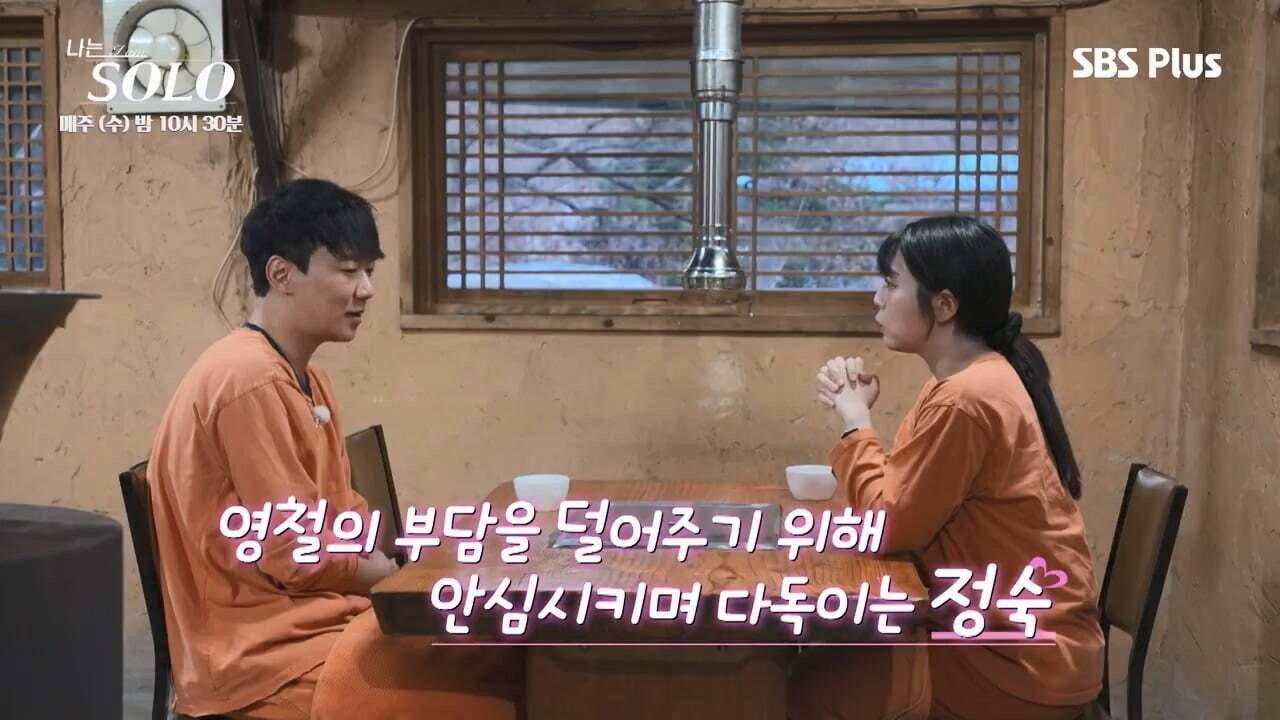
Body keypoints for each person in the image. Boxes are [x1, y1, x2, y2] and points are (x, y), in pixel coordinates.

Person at [147, 178, 522, 719]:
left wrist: (420, 554)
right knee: (496, 698)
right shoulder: (249, 379)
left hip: (322, 625)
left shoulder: (308, 379)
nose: (366, 289)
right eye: (348, 271)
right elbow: (296, 555)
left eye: (368, 271)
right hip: (265, 660)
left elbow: (343, 519)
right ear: (281, 274)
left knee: (508, 655)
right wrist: (396, 576)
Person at [791, 215, 1104, 720]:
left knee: (797, 691)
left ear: (943, 305)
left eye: (891, 282)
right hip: (1012, 643)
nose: (877, 298)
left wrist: (855, 423)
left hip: (1013, 665)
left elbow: (886, 526)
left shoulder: (966, 398)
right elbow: (902, 498)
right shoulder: (964, 382)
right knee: (809, 666)